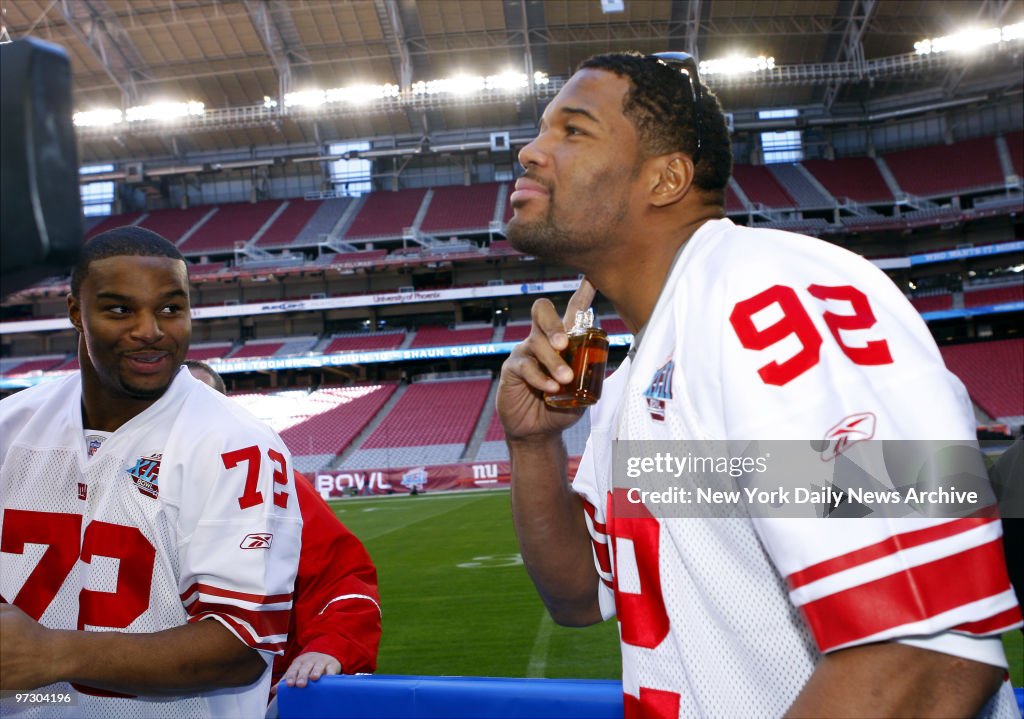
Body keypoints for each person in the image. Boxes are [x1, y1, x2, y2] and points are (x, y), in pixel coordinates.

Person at [497, 51, 1021, 718]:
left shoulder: (773, 298)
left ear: (666, 178)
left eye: (572, 130)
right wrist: (533, 444)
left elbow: (926, 652)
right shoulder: (642, 372)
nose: (530, 152)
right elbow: (577, 595)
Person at [0, 227, 303, 718]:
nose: (150, 330)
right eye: (120, 309)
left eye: (170, 308)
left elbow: (241, 648)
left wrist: (54, 653)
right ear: (76, 311)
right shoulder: (10, 427)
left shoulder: (236, 444)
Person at [184, 361, 382, 699]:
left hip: (250, 692)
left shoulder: (276, 484)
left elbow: (337, 576)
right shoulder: (97, 482)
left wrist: (331, 644)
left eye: (202, 405)